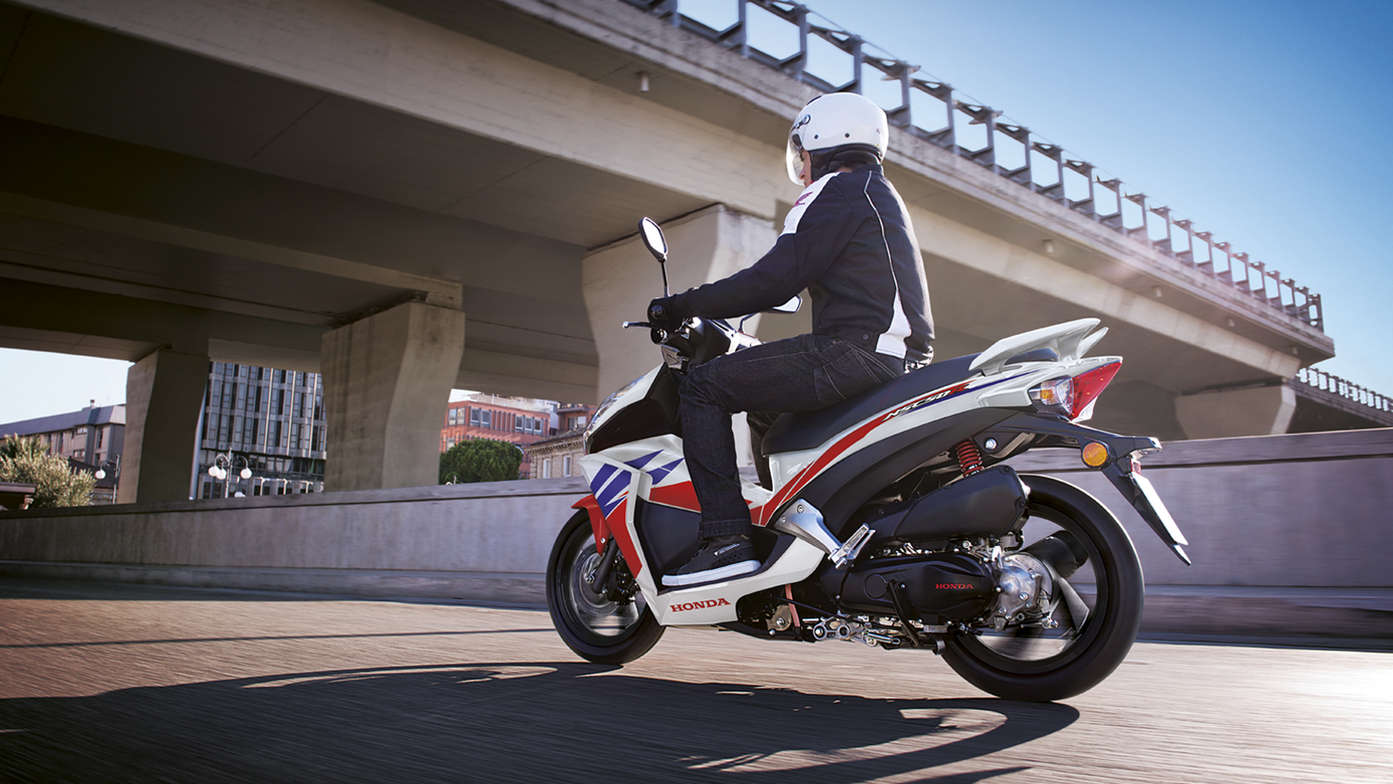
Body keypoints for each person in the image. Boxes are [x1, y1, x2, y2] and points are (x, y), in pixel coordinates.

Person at [647, 92, 934, 587]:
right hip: (896, 359)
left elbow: (772, 280)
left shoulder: (836, 190)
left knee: (703, 387)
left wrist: (683, 304)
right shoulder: (877, 192)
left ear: (822, 140)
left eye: (801, 149)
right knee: (764, 408)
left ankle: (726, 539)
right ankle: (787, 528)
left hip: (856, 353)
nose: (800, 162)